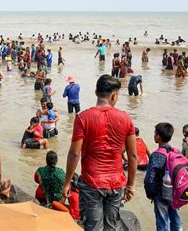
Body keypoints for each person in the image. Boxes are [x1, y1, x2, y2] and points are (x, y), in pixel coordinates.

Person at [62, 74, 137, 230]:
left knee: (92, 227)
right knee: (111, 226)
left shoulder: (83, 118)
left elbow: (74, 154)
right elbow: (132, 156)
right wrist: (130, 185)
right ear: (115, 95)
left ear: (96, 92)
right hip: (116, 183)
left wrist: (67, 182)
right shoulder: (126, 119)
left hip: (91, 182)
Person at [144, 123, 181, 231]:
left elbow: (149, 180)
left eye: (155, 133)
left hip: (161, 194)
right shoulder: (176, 151)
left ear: (158, 137)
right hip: (174, 193)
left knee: (162, 222)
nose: (154, 135)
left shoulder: (156, 155)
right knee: (175, 220)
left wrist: (150, 194)